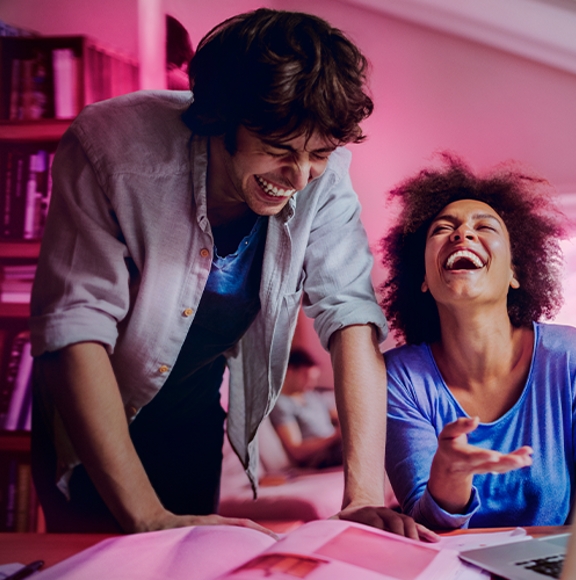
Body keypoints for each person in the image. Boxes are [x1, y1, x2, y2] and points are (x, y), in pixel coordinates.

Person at [30, 8, 433, 541]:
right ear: (221, 118)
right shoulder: (110, 147)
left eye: (318, 154)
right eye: (278, 150)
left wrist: (361, 497)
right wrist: (147, 517)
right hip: (93, 418)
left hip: (192, 418)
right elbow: (76, 326)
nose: (299, 177)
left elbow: (352, 317)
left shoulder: (325, 177)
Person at [380, 156, 576, 531]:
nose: (462, 234)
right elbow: (425, 529)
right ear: (422, 276)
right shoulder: (399, 378)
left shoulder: (569, 357)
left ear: (514, 273)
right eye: (444, 228)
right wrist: (450, 478)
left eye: (484, 226)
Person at [269, 348, 343, 469]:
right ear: (289, 372)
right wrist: (334, 437)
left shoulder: (313, 396)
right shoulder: (281, 404)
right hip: (319, 457)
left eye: (314, 379)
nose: (311, 383)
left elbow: (339, 417)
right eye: (306, 376)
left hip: (335, 446)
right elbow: (297, 451)